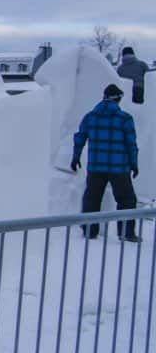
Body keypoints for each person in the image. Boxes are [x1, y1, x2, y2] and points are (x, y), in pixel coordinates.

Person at [71, 84, 140, 242]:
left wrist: (75, 157)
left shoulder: (90, 117)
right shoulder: (124, 118)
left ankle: (89, 231)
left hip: (96, 167)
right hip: (119, 168)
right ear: (118, 99)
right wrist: (134, 164)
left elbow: (80, 137)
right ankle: (126, 233)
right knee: (126, 200)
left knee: (92, 198)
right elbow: (131, 144)